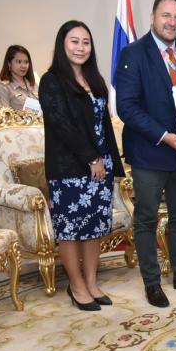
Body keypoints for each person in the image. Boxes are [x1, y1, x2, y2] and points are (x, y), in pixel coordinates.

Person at [115, 0, 176, 308]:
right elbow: (126, 107)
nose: (172, 22)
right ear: (153, 18)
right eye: (166, 15)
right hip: (149, 152)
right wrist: (163, 135)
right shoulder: (133, 53)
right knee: (146, 218)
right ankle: (152, 283)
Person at [39, 20, 126, 311]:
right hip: (70, 169)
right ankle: (76, 286)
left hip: (101, 167)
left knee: (94, 229)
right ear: (62, 45)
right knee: (70, 231)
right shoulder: (52, 80)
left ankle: (91, 282)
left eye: (85, 42)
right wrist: (92, 158)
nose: (80, 47)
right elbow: (62, 125)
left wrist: (108, 161)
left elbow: (104, 124)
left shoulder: (95, 80)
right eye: (74, 41)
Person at [0, 44, 39, 112]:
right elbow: (4, 117)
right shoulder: (2, 88)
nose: (23, 66)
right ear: (9, 64)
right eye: (19, 62)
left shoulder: (33, 85)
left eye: (26, 62)